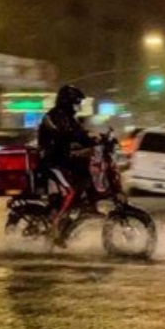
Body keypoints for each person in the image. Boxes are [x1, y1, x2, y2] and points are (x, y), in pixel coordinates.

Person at [37, 85, 97, 244]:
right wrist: (86, 140)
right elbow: (67, 134)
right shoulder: (53, 116)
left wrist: (97, 139)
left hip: (64, 160)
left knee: (86, 176)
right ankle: (54, 229)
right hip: (52, 162)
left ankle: (79, 212)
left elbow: (80, 133)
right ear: (66, 101)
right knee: (70, 191)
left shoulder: (69, 118)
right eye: (75, 102)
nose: (77, 106)